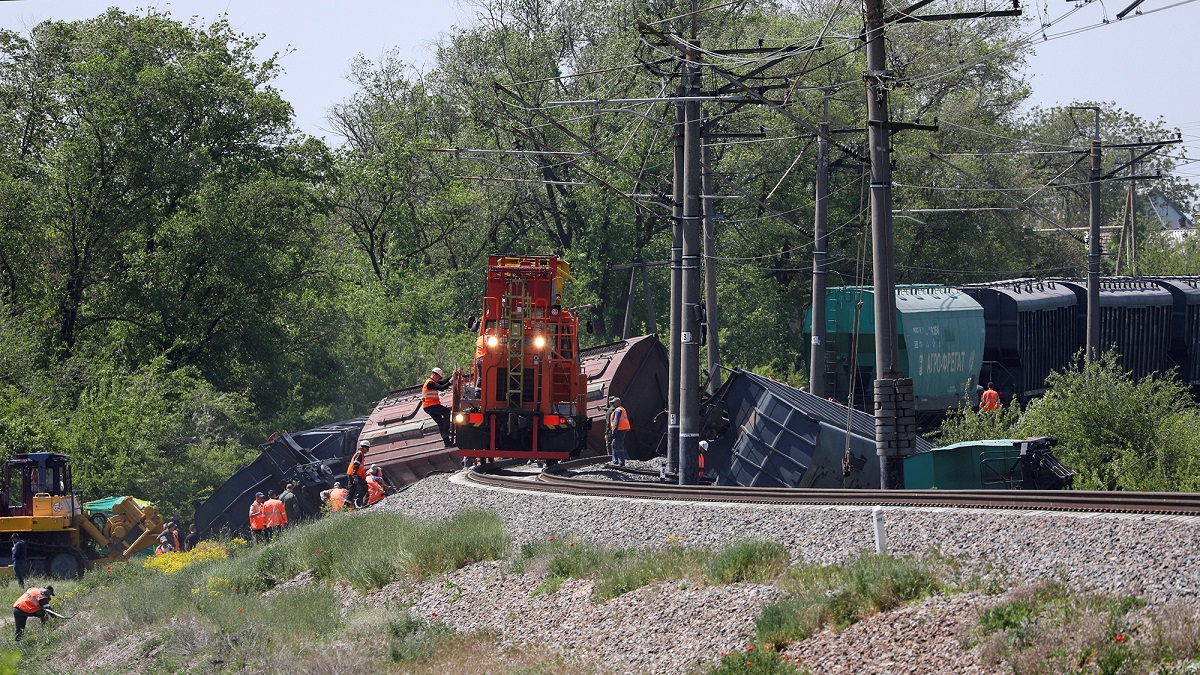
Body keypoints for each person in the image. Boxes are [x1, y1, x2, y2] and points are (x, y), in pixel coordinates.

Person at [422, 367, 456, 446]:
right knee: (446, 411)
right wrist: (451, 381)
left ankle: (447, 443)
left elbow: (442, 382)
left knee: (441, 423)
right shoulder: (430, 383)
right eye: (438, 377)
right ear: (434, 374)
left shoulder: (432, 382)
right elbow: (441, 388)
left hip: (428, 407)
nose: (439, 379)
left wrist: (451, 376)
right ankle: (446, 431)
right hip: (430, 405)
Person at [609, 396, 630, 467]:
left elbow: (616, 421)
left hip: (619, 430)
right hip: (621, 429)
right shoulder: (620, 409)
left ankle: (620, 462)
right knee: (614, 445)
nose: (612, 404)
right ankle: (616, 461)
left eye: (613, 403)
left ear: (618, 402)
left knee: (618, 445)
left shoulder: (618, 410)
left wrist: (614, 432)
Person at [346, 440, 369, 506]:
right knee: (352, 490)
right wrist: (355, 476)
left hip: (356, 475)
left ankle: (357, 501)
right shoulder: (359, 454)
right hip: (353, 475)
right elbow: (356, 465)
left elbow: (360, 468)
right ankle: (348, 504)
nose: (368, 450)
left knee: (360, 488)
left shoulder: (361, 455)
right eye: (367, 448)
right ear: (363, 447)